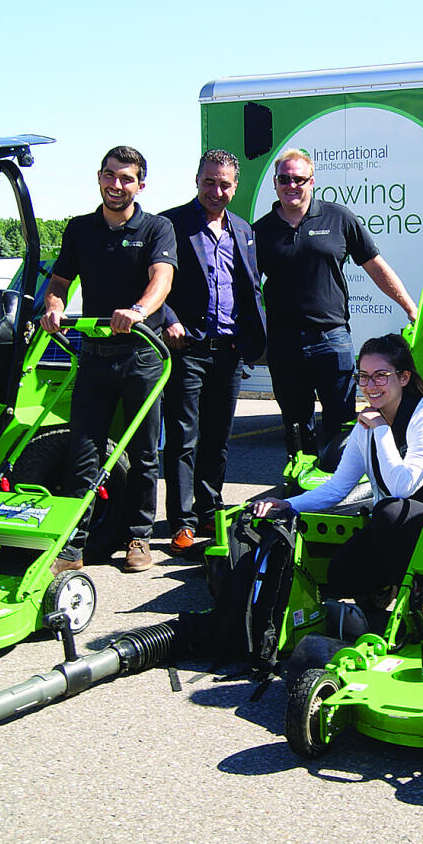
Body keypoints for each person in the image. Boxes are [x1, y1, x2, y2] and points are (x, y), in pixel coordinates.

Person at [254, 333, 423, 623]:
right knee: (341, 575)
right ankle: (386, 599)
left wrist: (381, 429)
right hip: (398, 529)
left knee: (388, 510)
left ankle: (412, 602)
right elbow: (337, 487)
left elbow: (403, 486)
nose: (370, 386)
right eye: (364, 376)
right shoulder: (367, 424)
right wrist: (287, 505)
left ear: (404, 377)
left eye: (381, 376)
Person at [41, 146, 178, 575]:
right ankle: (73, 545)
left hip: (142, 354)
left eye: (126, 178)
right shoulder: (80, 229)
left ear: (141, 184)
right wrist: (53, 306)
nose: (116, 185)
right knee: (83, 452)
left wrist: (137, 312)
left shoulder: (158, 228)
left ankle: (138, 536)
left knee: (142, 452)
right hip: (95, 355)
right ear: (99, 177)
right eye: (110, 176)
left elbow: (163, 279)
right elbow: (60, 281)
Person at [253, 149, 420, 456]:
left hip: (331, 340)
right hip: (283, 343)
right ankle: (297, 491)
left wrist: (410, 307)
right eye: (284, 179)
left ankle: (340, 493)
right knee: (295, 425)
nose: (291, 185)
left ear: (311, 181)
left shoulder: (338, 218)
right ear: (275, 184)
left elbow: (375, 266)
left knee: (341, 425)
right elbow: (246, 289)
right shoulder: (260, 231)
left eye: (298, 179)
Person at [160, 150, 266, 554]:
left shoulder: (243, 229)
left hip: (230, 350)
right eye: (210, 182)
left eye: (225, 184)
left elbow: (248, 285)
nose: (216, 190)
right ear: (197, 180)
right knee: (184, 438)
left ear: (235, 187)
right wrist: (168, 317)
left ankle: (209, 509)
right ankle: (181, 522)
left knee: (219, 438)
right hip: (187, 347)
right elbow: (154, 279)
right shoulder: (170, 224)